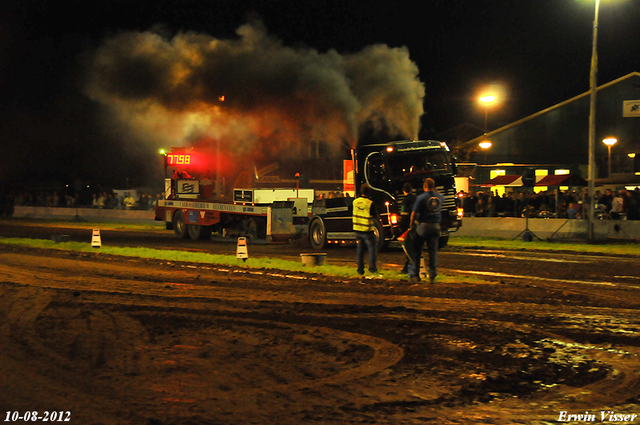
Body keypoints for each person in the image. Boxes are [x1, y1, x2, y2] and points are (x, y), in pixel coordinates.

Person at [409, 178, 445, 284]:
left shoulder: (420, 198)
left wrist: (411, 225)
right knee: (432, 252)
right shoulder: (440, 197)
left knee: (417, 251)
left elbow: (414, 213)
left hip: (423, 226)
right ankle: (432, 275)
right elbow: (440, 197)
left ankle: (415, 274)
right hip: (436, 227)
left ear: (425, 186)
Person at [352, 183, 379, 277]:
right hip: (367, 231)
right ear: (369, 192)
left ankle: (360, 270)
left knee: (360, 251)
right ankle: (372, 269)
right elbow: (375, 216)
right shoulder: (370, 203)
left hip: (357, 230)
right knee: (372, 250)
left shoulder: (355, 202)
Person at [399, 182, 416, 274]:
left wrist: (401, 226)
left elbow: (404, 215)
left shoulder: (405, 201)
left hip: (408, 226)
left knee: (407, 246)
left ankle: (408, 267)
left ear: (403, 191)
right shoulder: (416, 198)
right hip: (417, 225)